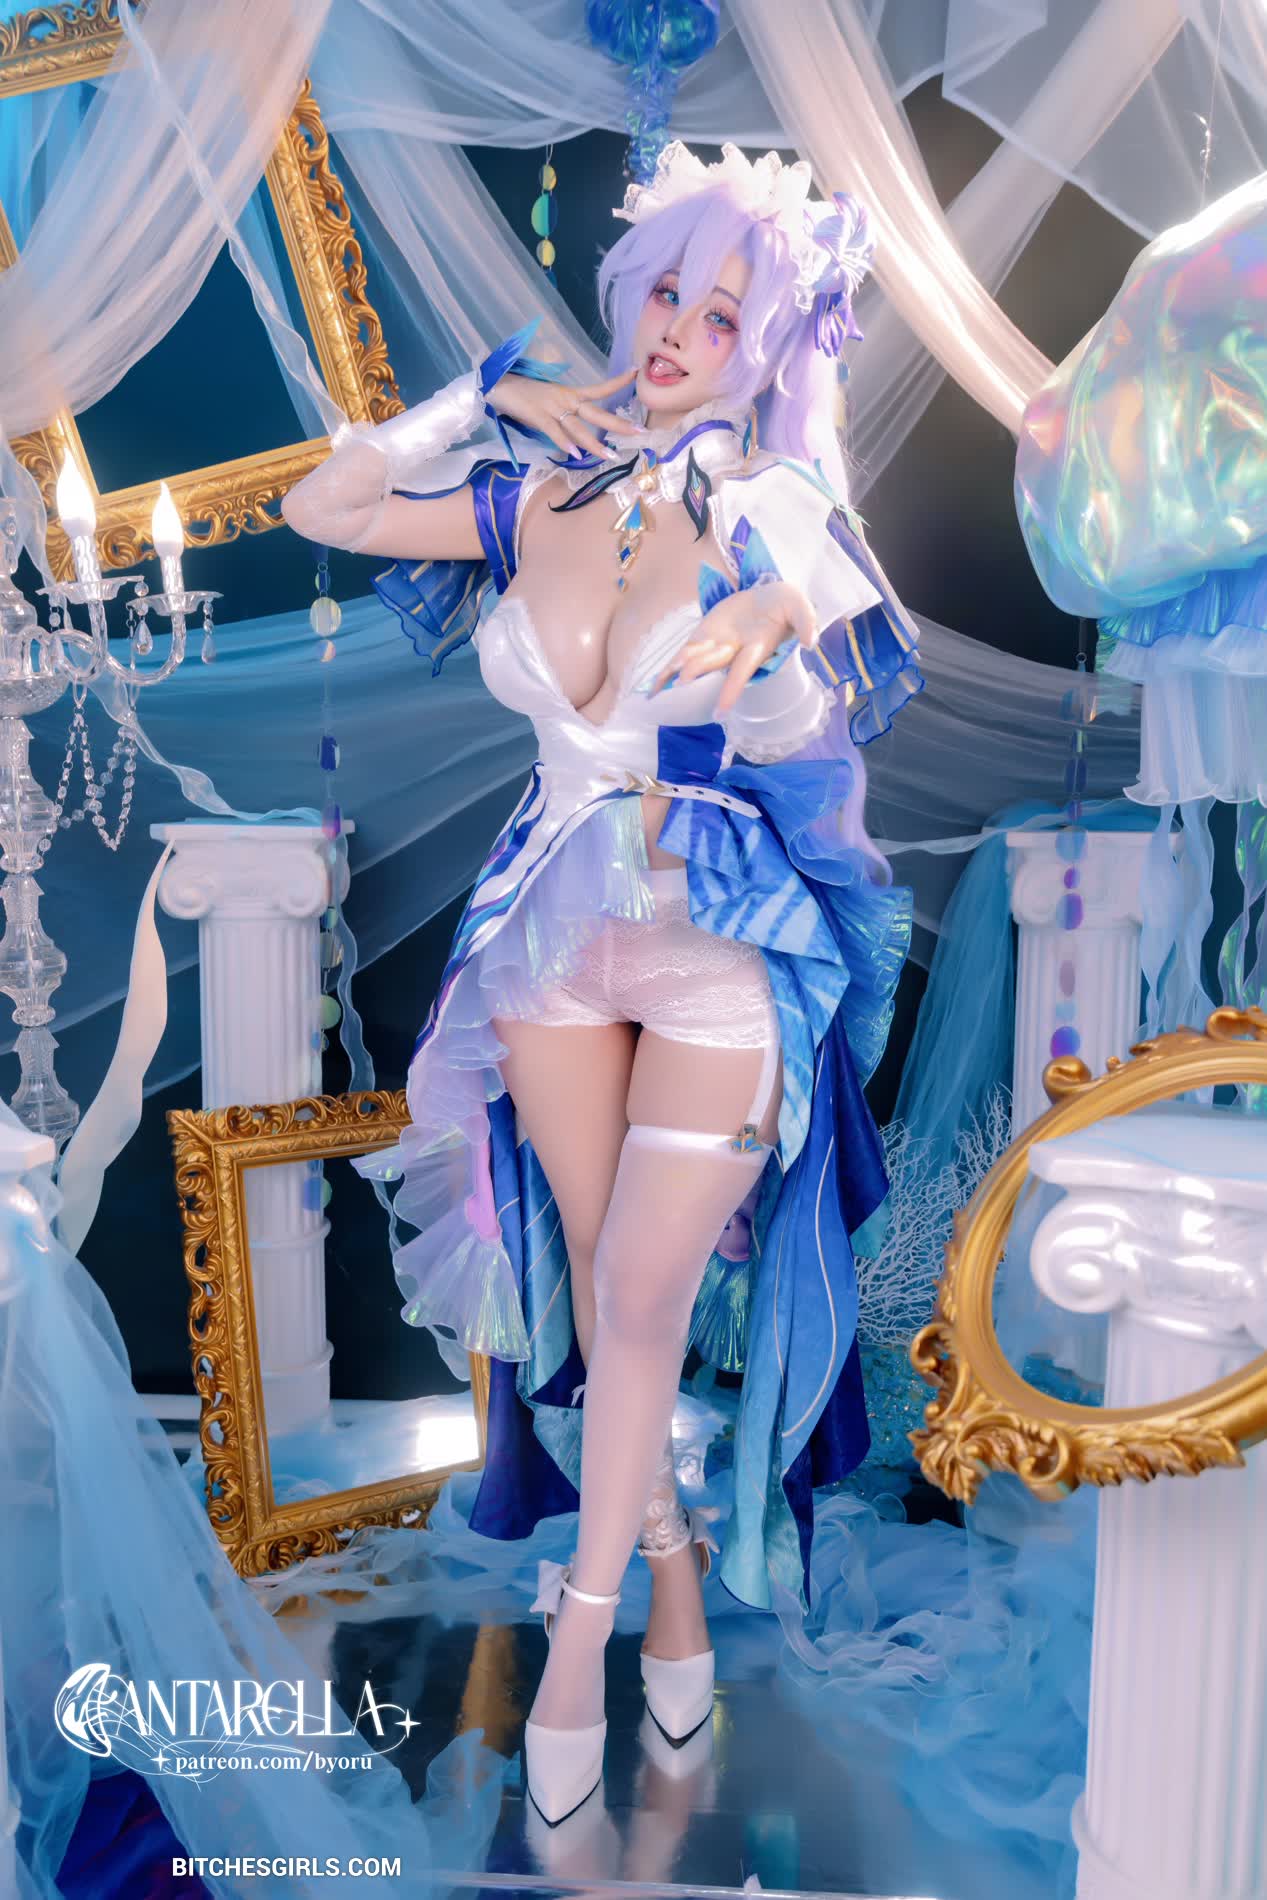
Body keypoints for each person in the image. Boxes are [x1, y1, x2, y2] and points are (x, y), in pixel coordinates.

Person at [281, 141, 923, 1826]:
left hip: (716, 941)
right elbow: (322, 509)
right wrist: (487, 396)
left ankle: (582, 1646)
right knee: (588, 1274)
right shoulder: (534, 490)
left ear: (764, 349)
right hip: (552, 928)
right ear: (630, 295)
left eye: (725, 319)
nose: (680, 337)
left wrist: (770, 625)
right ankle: (677, 1579)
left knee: (640, 1300)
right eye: (668, 297)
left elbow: (815, 663)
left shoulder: (773, 511)